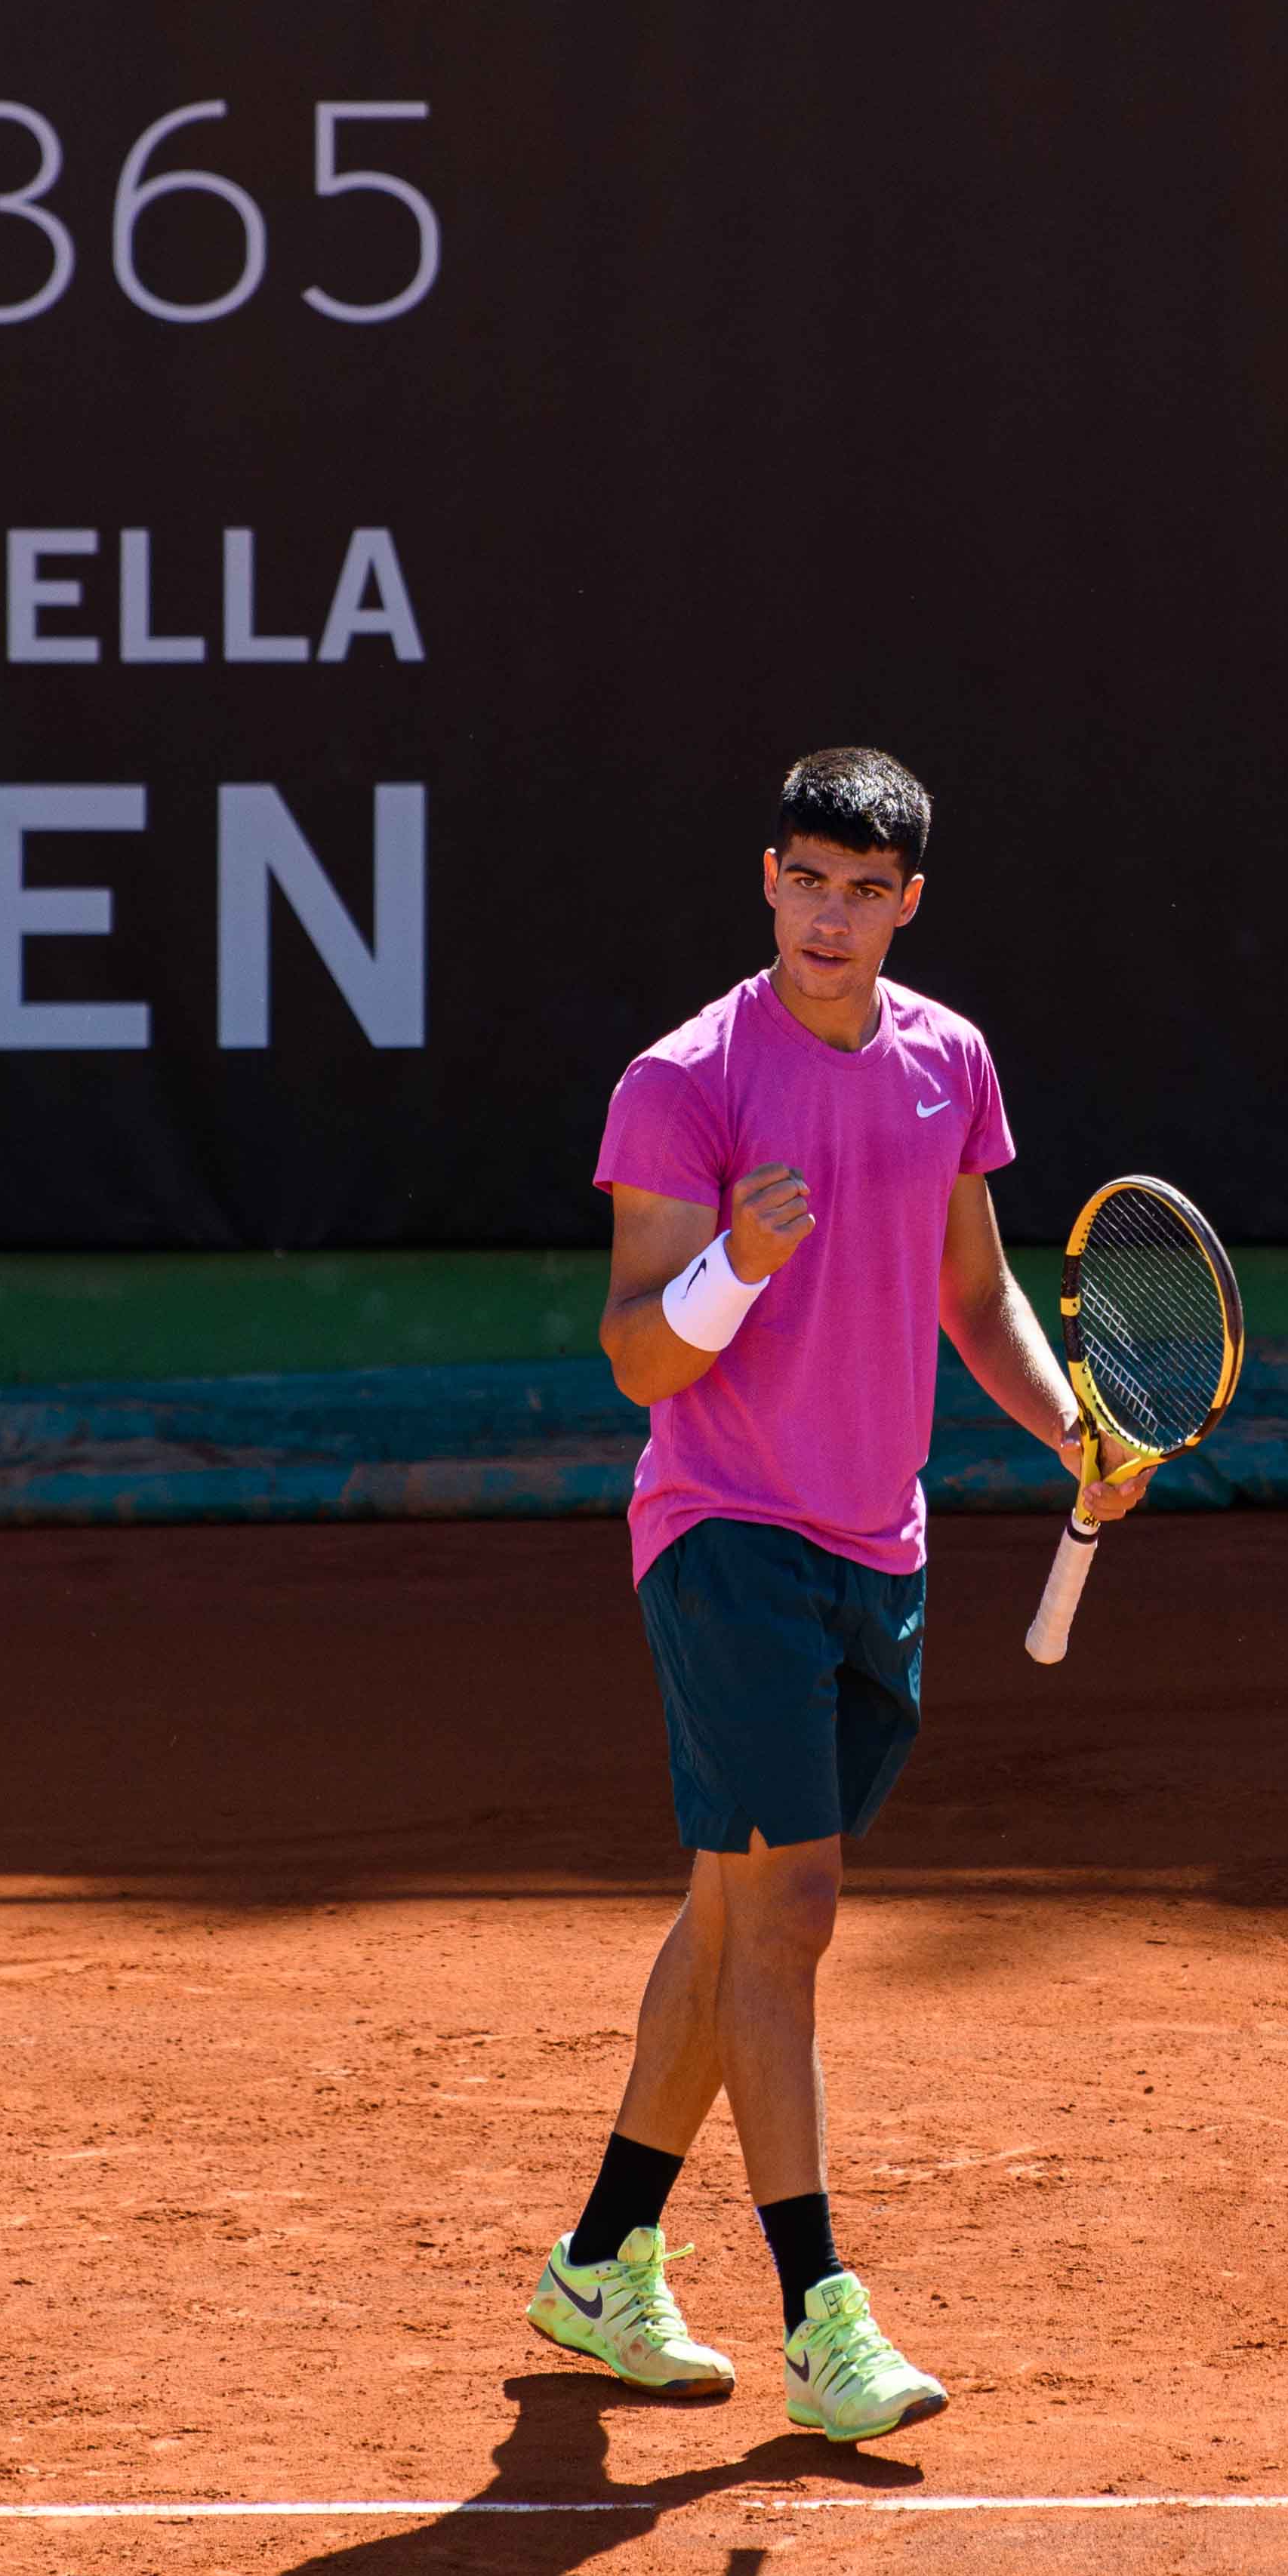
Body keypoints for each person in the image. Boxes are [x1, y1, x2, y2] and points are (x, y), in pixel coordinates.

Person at [525, 746, 1147, 2444]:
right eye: (809, 879)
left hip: (882, 1541)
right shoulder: (682, 1081)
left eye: (867, 890)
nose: (832, 914)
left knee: (733, 1921)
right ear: (770, 880)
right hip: (723, 1527)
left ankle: (597, 2261)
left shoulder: (947, 1062)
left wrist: (1074, 1422)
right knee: (792, 1913)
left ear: (907, 905)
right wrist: (739, 1262)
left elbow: (976, 1288)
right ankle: (820, 2313)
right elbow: (638, 1350)